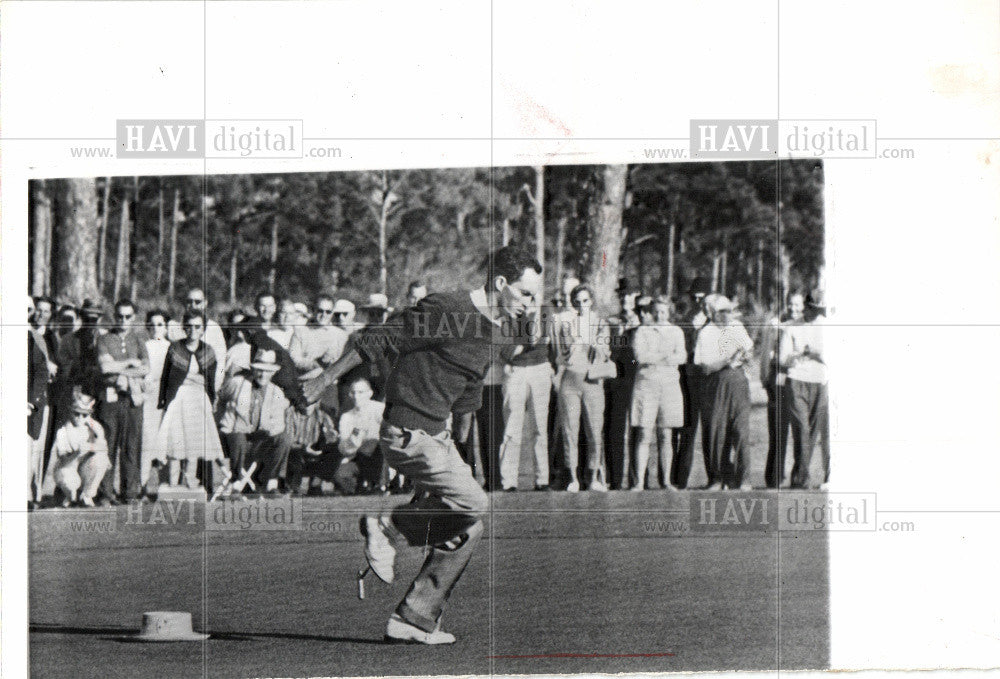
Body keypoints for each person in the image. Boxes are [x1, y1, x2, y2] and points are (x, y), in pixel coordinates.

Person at [303, 245, 542, 645]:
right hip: (406, 433)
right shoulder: (446, 310)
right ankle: (386, 527)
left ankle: (415, 617)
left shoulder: (496, 332)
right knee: (476, 503)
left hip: (439, 439)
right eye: (526, 293)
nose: (530, 305)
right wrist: (324, 380)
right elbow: (377, 339)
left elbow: (468, 396)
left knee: (468, 527)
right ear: (501, 283)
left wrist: (454, 464)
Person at [551, 284, 612, 492]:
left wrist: (592, 344)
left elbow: (604, 352)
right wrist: (576, 343)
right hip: (570, 379)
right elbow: (562, 353)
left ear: (591, 301)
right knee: (570, 430)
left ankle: (593, 477)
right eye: (577, 301)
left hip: (593, 380)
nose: (581, 305)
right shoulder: (566, 322)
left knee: (595, 431)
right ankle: (572, 478)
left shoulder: (600, 323)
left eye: (585, 300)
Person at [156, 309, 226, 490]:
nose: (193, 331)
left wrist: (189, 378)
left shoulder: (208, 351)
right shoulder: (175, 348)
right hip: (177, 400)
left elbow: (208, 380)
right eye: (189, 326)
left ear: (203, 329)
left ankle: (189, 484)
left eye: (197, 327)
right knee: (176, 442)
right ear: (183, 328)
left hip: (198, 401)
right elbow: (168, 377)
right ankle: (172, 485)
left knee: (194, 443)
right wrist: (165, 399)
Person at [694, 295, 754, 490]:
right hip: (715, 385)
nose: (727, 315)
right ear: (711, 313)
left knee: (741, 431)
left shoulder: (737, 327)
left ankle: (743, 479)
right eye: (722, 311)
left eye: (729, 310)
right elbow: (705, 367)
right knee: (715, 432)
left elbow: (749, 351)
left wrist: (743, 356)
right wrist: (727, 360)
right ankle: (718, 478)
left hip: (738, 384)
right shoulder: (706, 333)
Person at [95, 299, 149, 504]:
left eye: (128, 316)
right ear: (114, 316)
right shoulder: (105, 339)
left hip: (132, 399)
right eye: (120, 316)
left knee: (131, 445)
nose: (123, 320)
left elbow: (145, 368)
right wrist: (129, 363)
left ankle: (130, 493)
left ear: (133, 318)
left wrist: (118, 368)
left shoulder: (139, 339)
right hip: (110, 399)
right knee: (107, 444)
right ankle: (105, 493)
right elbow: (104, 368)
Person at [629, 296, 686, 490]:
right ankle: (638, 482)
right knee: (644, 433)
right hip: (646, 386)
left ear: (668, 312)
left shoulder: (676, 331)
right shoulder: (642, 331)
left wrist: (657, 358)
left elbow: (682, 356)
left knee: (666, 434)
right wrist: (666, 357)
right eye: (656, 312)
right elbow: (640, 356)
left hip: (669, 386)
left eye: (663, 311)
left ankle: (667, 480)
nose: (659, 315)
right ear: (651, 313)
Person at [216, 349, 291, 496]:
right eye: (259, 370)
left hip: (258, 441)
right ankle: (236, 482)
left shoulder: (276, 392)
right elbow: (219, 399)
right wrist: (222, 421)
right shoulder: (237, 384)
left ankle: (271, 482)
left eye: (267, 371)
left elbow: (278, 424)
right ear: (253, 370)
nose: (262, 375)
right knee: (237, 436)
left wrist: (269, 429)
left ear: (273, 373)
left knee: (284, 438)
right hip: (232, 438)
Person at [497, 304, 552, 491]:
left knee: (540, 427)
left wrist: (520, 343)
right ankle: (508, 481)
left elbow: (538, 339)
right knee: (512, 427)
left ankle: (542, 479)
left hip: (540, 369)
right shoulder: (506, 313)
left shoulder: (544, 311)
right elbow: (504, 349)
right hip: (516, 371)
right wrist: (522, 344)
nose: (528, 297)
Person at [780, 292, 828, 489]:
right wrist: (795, 355)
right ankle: (801, 478)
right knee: (801, 429)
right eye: (812, 309)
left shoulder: (827, 326)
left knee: (814, 430)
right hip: (797, 380)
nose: (815, 313)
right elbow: (783, 360)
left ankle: (800, 477)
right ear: (806, 306)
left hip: (821, 382)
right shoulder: (792, 327)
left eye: (819, 310)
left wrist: (816, 354)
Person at [671, 284, 711, 489]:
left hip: (710, 379)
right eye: (695, 299)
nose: (699, 303)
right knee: (687, 430)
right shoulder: (684, 324)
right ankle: (679, 479)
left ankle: (717, 477)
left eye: (702, 299)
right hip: (688, 379)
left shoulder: (714, 323)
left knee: (713, 430)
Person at [761, 293, 803, 488]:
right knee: (778, 431)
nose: (793, 308)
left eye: (797, 305)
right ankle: (774, 476)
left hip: (801, 382)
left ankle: (799, 476)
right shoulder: (775, 325)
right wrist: (766, 381)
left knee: (800, 432)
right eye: (790, 304)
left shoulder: (806, 326)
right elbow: (766, 357)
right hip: (779, 383)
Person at [604, 282, 641, 489]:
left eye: (630, 296)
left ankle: (636, 479)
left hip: (638, 374)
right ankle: (615, 478)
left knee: (638, 428)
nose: (626, 300)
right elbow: (610, 350)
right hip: (617, 376)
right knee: (615, 426)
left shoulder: (643, 321)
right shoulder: (612, 322)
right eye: (622, 296)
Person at [50, 392, 110, 508]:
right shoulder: (63, 430)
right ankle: (68, 495)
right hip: (69, 466)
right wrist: (77, 454)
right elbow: (63, 460)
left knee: (101, 460)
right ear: (70, 411)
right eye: (76, 413)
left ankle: (87, 495)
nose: (80, 418)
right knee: (69, 479)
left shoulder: (94, 426)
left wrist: (90, 447)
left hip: (84, 466)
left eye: (84, 415)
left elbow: (104, 447)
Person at [167, 288, 227, 391]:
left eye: (198, 302)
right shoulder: (174, 327)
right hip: (179, 383)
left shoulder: (214, 329)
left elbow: (220, 361)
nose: (193, 305)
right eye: (189, 302)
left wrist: (213, 387)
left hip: (204, 385)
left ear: (205, 303)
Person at [140, 310, 171, 497]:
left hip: (165, 398)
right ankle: (142, 485)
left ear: (166, 327)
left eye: (160, 324)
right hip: (148, 398)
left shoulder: (172, 347)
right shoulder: (144, 346)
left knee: (164, 442)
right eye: (151, 324)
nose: (156, 328)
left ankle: (164, 486)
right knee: (146, 442)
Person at [337, 377, 386, 492]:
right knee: (341, 474)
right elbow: (344, 448)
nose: (356, 396)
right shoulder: (346, 417)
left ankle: (382, 484)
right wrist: (354, 438)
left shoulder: (380, 409)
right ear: (349, 394)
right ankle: (365, 487)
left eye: (360, 392)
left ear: (370, 393)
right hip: (358, 457)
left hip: (382, 456)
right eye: (353, 392)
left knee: (377, 444)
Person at [28, 296, 53, 507]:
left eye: (45, 311)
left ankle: (34, 495)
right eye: (37, 310)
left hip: (41, 399)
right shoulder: (28, 334)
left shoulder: (51, 337)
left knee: (36, 447)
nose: (39, 315)